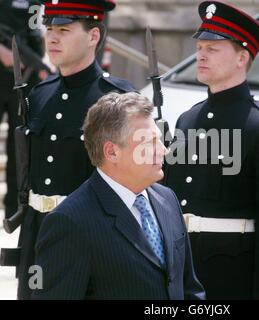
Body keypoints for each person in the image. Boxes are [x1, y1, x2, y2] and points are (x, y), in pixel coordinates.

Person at [163, 1, 259, 299]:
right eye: (200, 49)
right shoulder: (187, 119)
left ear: (242, 57)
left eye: (213, 49)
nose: (201, 56)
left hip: (232, 272)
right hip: (183, 264)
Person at [15, 0, 136, 300]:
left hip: (91, 236)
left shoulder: (116, 100)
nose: (52, 37)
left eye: (65, 30)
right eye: (50, 29)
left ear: (93, 36)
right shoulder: (40, 94)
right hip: (38, 233)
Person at [31, 92, 205, 300]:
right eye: (149, 142)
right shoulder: (69, 223)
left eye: (159, 140)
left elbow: (189, 289)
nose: (164, 150)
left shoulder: (167, 199)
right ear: (112, 152)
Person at [0, 0, 45, 219]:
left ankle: (14, 211)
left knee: (20, 148)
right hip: (2, 70)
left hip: (27, 78)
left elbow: (38, 32)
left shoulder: (37, 2)